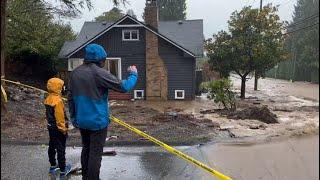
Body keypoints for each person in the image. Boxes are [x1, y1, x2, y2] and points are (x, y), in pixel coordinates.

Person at [68, 43, 138, 180]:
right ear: (100, 59)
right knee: (95, 153)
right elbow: (124, 87)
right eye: (104, 59)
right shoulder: (99, 73)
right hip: (98, 122)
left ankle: (86, 177)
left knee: (86, 149)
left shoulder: (75, 73)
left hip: (81, 121)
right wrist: (133, 74)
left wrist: (74, 118)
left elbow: (70, 98)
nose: (104, 62)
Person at [44, 78, 71, 179]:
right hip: (58, 128)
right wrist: (64, 129)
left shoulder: (48, 98)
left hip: (51, 127)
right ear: (58, 87)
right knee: (61, 148)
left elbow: (48, 114)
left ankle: (52, 165)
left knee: (52, 145)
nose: (64, 88)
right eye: (62, 86)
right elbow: (60, 118)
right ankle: (63, 170)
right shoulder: (58, 101)